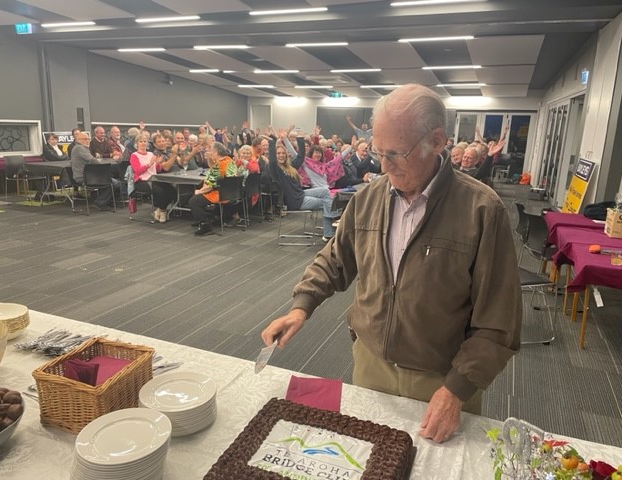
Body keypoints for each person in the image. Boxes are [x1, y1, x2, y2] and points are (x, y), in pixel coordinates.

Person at [261, 83, 521, 444]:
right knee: (368, 459)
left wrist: (458, 389)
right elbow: (335, 259)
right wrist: (301, 306)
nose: (384, 165)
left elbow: (499, 322)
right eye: (379, 152)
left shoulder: (482, 210)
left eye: (396, 153)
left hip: (441, 380)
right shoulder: (368, 198)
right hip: (371, 364)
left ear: (437, 140)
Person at [267, 136, 337, 241]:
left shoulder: (290, 167)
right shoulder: (275, 170)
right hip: (295, 201)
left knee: (325, 191)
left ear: (286, 155)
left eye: (283, 153)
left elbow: (300, 157)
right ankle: (330, 230)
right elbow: (272, 161)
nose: (281, 155)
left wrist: (300, 138)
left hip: (301, 194)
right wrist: (272, 142)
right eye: (278, 153)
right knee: (324, 202)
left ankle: (332, 221)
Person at [188, 141, 238, 235]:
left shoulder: (219, 166)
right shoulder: (229, 160)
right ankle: (205, 218)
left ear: (216, 152)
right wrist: (210, 159)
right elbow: (213, 168)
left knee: (193, 201)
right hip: (229, 192)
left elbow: (210, 185)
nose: (208, 151)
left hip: (219, 194)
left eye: (210, 150)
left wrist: (199, 191)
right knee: (198, 188)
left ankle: (206, 224)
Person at [129, 134, 177, 223]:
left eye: (145, 141)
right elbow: (138, 171)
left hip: (154, 178)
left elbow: (157, 169)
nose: (143, 143)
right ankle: (163, 211)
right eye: (141, 142)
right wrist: (149, 164)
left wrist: (158, 163)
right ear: (137, 144)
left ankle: (160, 209)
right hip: (142, 181)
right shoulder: (134, 155)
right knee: (160, 191)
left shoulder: (151, 154)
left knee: (172, 190)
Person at [70, 131, 120, 210]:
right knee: (113, 182)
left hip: (89, 175)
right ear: (78, 140)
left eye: (88, 139)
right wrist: (103, 166)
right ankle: (100, 202)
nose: (88, 141)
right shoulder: (79, 148)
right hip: (84, 177)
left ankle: (105, 201)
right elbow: (92, 160)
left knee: (111, 178)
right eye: (85, 139)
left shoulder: (82, 148)